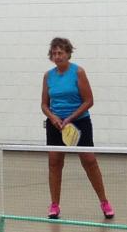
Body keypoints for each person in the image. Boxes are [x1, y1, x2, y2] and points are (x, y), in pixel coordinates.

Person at [41, 37, 114, 220]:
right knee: (54, 163)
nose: (57, 56)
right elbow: (44, 104)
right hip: (56, 125)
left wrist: (71, 118)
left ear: (68, 54)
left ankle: (104, 202)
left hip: (79, 123)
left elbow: (89, 100)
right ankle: (55, 205)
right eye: (54, 53)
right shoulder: (48, 76)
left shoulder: (78, 72)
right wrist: (54, 118)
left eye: (61, 53)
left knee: (89, 162)